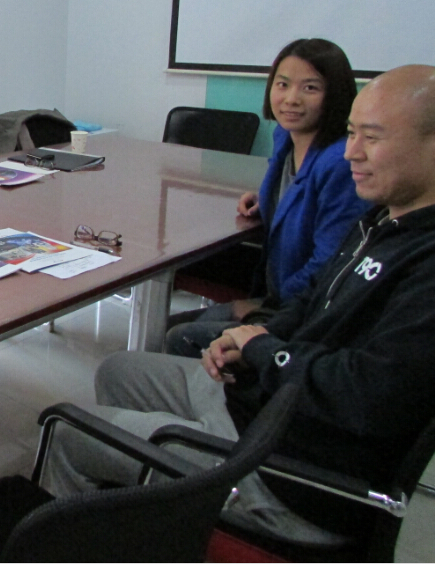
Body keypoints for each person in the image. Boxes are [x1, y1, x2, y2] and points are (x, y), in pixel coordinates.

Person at [47, 64, 435, 547]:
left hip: (286, 473)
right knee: (118, 371)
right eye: (351, 132)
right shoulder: (380, 218)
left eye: (371, 138)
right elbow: (313, 300)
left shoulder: (425, 263)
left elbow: (366, 396)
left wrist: (266, 351)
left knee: (66, 431)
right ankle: (145, 522)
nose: (351, 152)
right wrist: (253, 336)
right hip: (267, 409)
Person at [166, 39, 369, 356]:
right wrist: (269, 201)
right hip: (276, 293)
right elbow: (295, 192)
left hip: (303, 312)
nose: (291, 99)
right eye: (282, 84)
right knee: (167, 328)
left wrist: (265, 308)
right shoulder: (286, 135)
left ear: (336, 94)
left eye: (310, 88)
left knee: (176, 336)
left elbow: (330, 265)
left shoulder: (340, 162)